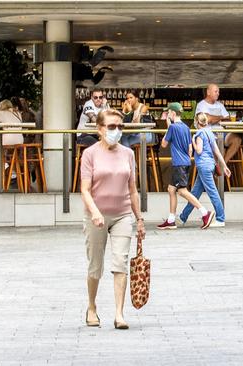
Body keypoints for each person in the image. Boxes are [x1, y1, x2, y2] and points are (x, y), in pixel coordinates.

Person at [80, 109, 146, 330]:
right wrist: (95, 212)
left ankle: (119, 313)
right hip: (96, 216)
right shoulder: (89, 154)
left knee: (121, 263)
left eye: (120, 127)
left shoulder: (128, 153)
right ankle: (91, 306)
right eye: (111, 127)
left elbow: (133, 188)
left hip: (122, 214)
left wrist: (139, 218)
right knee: (95, 266)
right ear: (100, 129)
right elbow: (85, 189)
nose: (116, 131)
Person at [158, 103, 215, 230]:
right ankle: (171, 220)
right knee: (171, 189)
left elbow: (163, 144)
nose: (168, 115)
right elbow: (190, 149)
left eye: (168, 113)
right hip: (185, 162)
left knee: (182, 191)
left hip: (178, 164)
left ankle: (205, 213)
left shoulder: (172, 127)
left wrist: (168, 127)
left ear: (172, 113)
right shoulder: (186, 127)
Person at [178, 113, 231, 227]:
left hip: (203, 166)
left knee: (213, 192)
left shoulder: (199, 134)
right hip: (210, 165)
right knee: (195, 193)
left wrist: (193, 140)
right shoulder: (209, 133)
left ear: (197, 122)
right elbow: (217, 151)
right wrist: (224, 166)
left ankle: (220, 219)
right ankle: (183, 217)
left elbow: (199, 151)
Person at [195, 84, 241, 164]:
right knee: (214, 143)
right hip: (208, 135)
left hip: (223, 134)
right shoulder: (201, 105)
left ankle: (223, 165)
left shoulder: (220, 105)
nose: (218, 94)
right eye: (216, 91)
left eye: (218, 92)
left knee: (237, 139)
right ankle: (215, 168)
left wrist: (213, 118)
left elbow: (228, 119)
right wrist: (220, 117)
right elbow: (206, 119)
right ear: (208, 92)